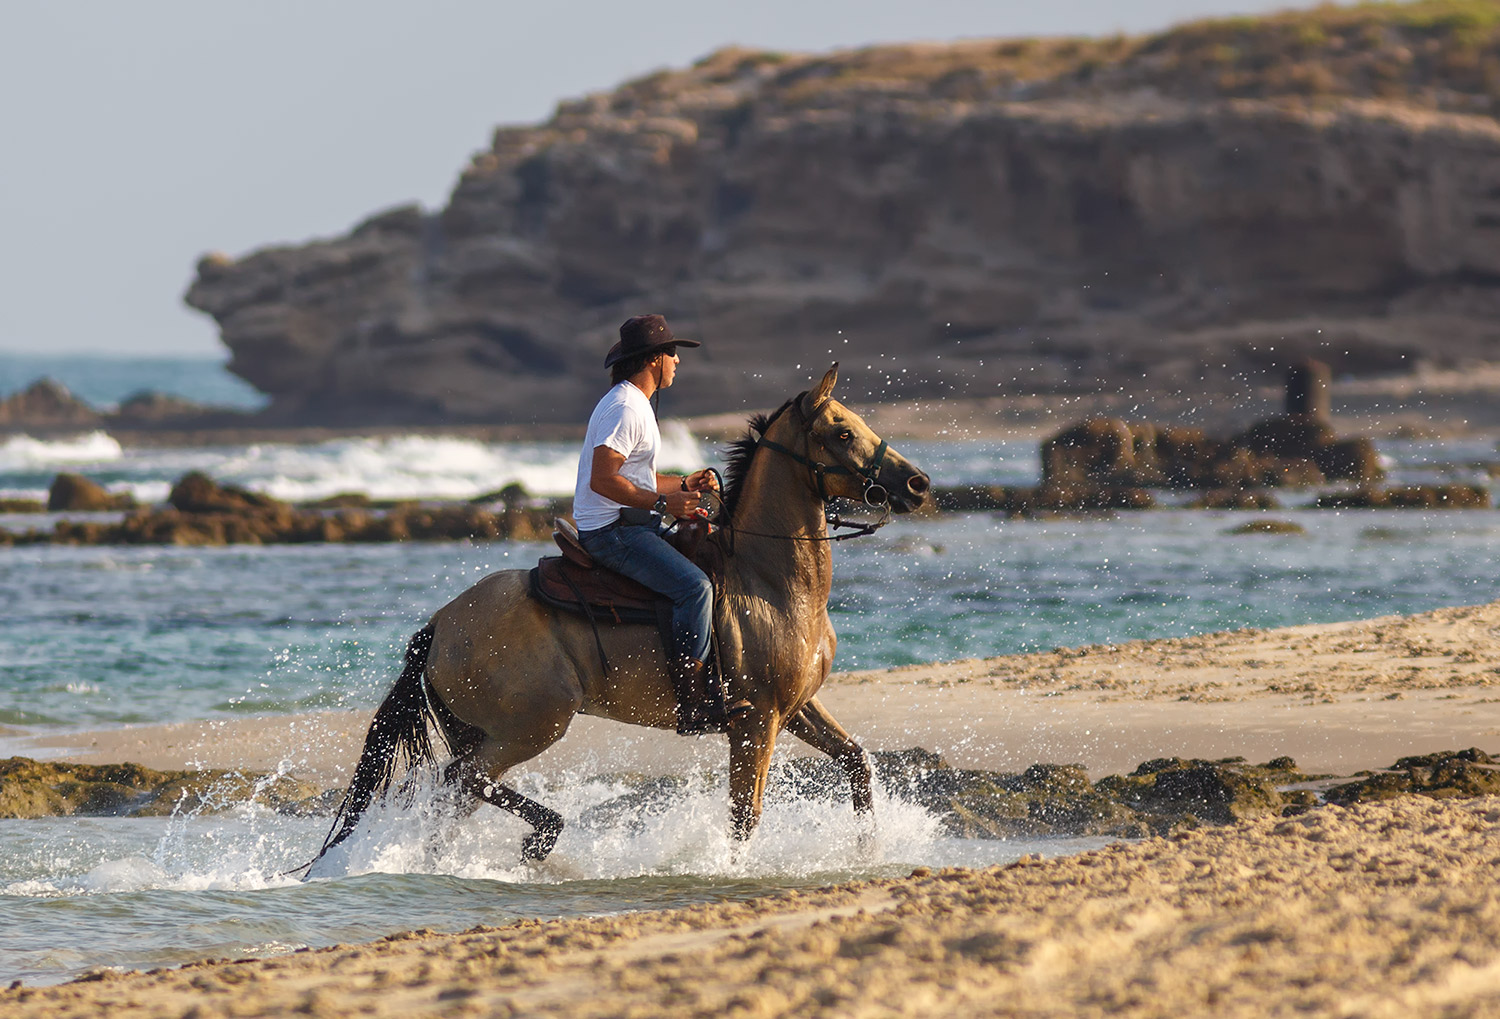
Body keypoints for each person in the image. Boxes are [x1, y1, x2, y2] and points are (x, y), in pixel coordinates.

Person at [572, 314, 749, 735]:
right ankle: (693, 703)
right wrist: (666, 503)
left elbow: (634, 476)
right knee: (695, 587)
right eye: (672, 353)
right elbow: (603, 478)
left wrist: (685, 483)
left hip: (628, 523)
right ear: (654, 359)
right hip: (613, 533)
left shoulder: (631, 402)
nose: (677, 362)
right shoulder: (626, 408)